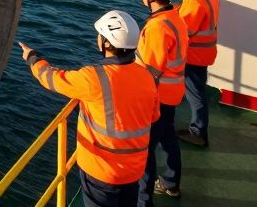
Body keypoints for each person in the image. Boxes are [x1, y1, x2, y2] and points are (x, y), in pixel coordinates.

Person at [19, 11, 159, 207]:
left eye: (100, 35)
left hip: (102, 170)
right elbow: (153, 116)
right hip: (134, 169)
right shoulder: (147, 77)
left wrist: (33, 58)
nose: (97, 38)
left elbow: (51, 78)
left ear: (107, 43)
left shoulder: (94, 78)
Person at [136, 0, 188, 204]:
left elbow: (151, 72)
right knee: (168, 137)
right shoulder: (175, 17)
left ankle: (143, 200)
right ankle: (171, 184)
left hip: (158, 97)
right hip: (173, 92)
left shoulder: (157, 27)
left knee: (145, 151)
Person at [175, 0, 218, 147]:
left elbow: (184, 31)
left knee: (195, 95)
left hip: (194, 56)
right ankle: (197, 129)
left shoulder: (195, 0)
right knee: (197, 92)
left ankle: (198, 133)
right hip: (205, 53)